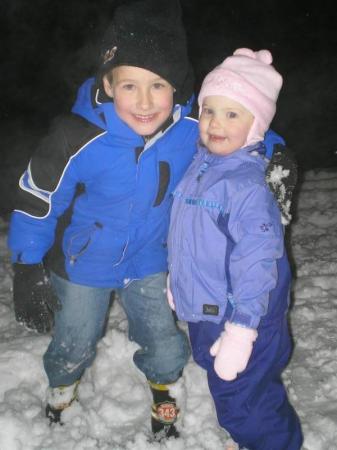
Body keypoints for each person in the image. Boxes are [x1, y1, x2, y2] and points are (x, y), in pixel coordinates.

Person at [7, 0, 296, 440]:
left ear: (177, 87)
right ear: (107, 83)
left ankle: (165, 390)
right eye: (130, 86)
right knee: (75, 339)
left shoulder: (190, 126)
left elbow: (241, 124)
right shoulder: (75, 135)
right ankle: (62, 386)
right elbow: (37, 197)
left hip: (151, 260)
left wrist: (274, 150)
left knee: (163, 338)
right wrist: (26, 264)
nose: (145, 102)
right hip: (84, 263)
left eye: (158, 85)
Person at [167, 48, 303, 449]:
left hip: (244, 315)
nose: (215, 123)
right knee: (234, 393)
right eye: (210, 111)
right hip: (213, 309)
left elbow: (258, 263)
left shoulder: (246, 186)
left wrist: (242, 331)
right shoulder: (202, 167)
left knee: (246, 401)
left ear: (256, 125)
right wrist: (179, 281)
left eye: (232, 114)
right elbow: (190, 235)